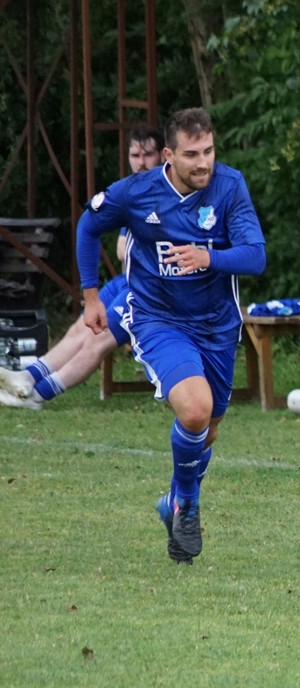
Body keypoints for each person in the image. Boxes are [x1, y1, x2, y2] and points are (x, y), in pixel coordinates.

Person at [76, 107, 266, 565]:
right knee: (195, 410)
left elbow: (255, 256)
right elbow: (89, 225)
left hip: (217, 325)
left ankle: (174, 503)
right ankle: (189, 504)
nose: (204, 163)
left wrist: (208, 257)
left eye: (209, 151)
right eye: (192, 155)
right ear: (168, 155)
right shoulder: (137, 192)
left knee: (209, 427)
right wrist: (91, 296)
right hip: (158, 319)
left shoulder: (229, 186)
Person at [0, 125, 165, 409]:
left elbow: (126, 251)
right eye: (135, 155)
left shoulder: (166, 192)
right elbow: (121, 250)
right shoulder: (130, 192)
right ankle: (27, 378)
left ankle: (37, 396)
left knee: (98, 341)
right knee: (82, 328)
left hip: (151, 288)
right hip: (127, 280)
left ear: (163, 155)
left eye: (148, 155)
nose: (141, 162)